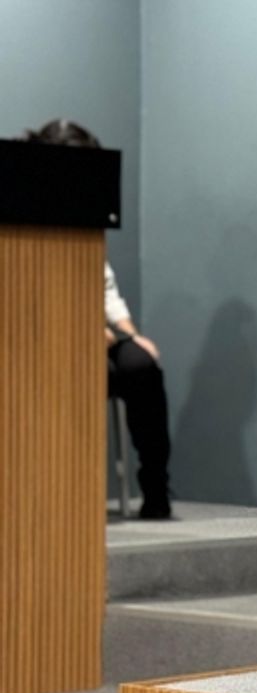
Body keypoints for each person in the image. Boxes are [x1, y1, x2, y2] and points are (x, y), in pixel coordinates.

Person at [26, 119, 173, 519]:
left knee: (141, 365)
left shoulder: (86, 219)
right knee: (82, 367)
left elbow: (105, 288)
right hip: (36, 339)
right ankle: (57, 493)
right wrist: (85, 331)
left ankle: (156, 487)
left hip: (96, 338)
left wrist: (130, 334)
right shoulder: (22, 220)